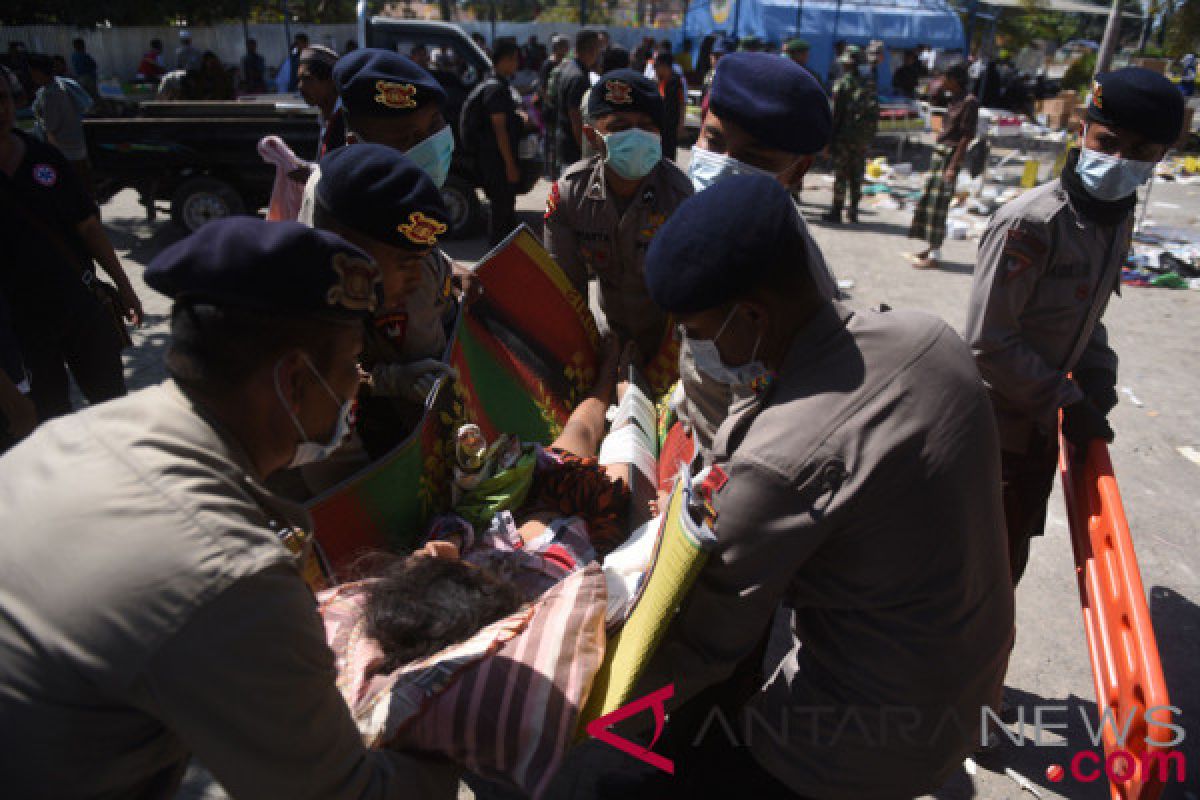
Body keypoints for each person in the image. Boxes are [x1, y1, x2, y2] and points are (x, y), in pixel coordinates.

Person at [0, 218, 459, 799]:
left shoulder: (63, 440)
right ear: (294, 380)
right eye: (350, 364)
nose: (355, 387)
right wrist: (463, 735)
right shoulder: (228, 570)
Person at [614, 174, 1014, 798]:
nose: (692, 348)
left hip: (870, 738)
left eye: (694, 330)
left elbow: (695, 647)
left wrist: (567, 707)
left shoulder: (780, 462)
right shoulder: (927, 336)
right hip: (971, 685)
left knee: (671, 768)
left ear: (751, 315)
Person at [965, 68, 1184, 586]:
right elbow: (988, 342)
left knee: (1008, 557)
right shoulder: (1031, 223)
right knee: (973, 574)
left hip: (1038, 431)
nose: (1121, 160)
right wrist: (1067, 402)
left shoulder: (1114, 219)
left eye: (1141, 151)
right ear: (1083, 130)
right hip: (993, 432)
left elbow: (1086, 316)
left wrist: (1098, 371)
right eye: (1110, 142)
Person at [677, 52, 839, 456]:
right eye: (713, 141)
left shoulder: (795, 287)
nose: (722, 167)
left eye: (752, 159)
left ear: (798, 171)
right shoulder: (706, 225)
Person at [0, 72, 141, 421]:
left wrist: (124, 287)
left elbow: (88, 227)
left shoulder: (44, 158)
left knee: (112, 408)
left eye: (1, 98)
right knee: (49, 422)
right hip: (20, 329)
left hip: (79, 307)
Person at [308, 144, 455, 476]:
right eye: (405, 265)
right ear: (346, 249)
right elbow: (342, 484)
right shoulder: (308, 330)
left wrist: (386, 381)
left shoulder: (342, 291)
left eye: (421, 262)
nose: (416, 280)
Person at [543, 69, 692, 362]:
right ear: (591, 135)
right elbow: (566, 295)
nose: (636, 136)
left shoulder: (679, 196)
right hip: (605, 344)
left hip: (669, 350)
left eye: (647, 125)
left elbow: (692, 301)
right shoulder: (571, 195)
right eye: (620, 126)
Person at [298, 48, 457, 225]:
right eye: (405, 138)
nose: (430, 147)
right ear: (356, 146)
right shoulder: (335, 210)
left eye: (434, 124)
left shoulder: (417, 197)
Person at [906, 63, 978, 270]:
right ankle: (931, 247)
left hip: (950, 158)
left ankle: (935, 255)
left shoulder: (969, 102)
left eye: (945, 78)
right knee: (929, 203)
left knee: (939, 207)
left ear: (954, 80)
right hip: (940, 155)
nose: (942, 82)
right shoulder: (953, 99)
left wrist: (953, 167)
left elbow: (966, 137)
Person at [471, 39, 526, 247]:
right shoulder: (496, 89)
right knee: (501, 216)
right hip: (497, 163)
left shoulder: (497, 84)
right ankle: (496, 263)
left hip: (496, 160)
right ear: (503, 60)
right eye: (513, 59)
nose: (516, 64)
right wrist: (510, 165)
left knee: (505, 214)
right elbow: (499, 129)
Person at [823, 45, 878, 225]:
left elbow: (835, 115)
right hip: (861, 139)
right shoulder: (868, 83)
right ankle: (853, 211)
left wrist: (829, 140)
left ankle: (837, 211)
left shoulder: (843, 84)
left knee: (841, 175)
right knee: (857, 175)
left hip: (844, 138)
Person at [27, 54, 94, 198]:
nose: (31, 76)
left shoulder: (51, 94)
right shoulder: (61, 85)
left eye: (32, 72)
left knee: (71, 191)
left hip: (64, 149)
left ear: (38, 72)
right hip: (75, 144)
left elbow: (51, 125)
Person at [555, 29, 601, 171]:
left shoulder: (568, 67)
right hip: (573, 148)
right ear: (592, 50)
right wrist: (585, 150)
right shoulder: (579, 78)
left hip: (564, 140)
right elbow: (575, 118)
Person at [297, 45, 343, 161]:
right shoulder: (325, 118)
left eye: (308, 79)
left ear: (331, 81)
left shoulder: (346, 123)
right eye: (299, 79)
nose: (300, 86)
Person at [539, 34, 570, 178]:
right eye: (564, 46)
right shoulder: (548, 64)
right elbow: (542, 88)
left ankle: (555, 170)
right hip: (551, 109)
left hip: (560, 108)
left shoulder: (565, 64)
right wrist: (550, 103)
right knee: (549, 140)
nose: (566, 49)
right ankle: (548, 170)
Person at [653, 53, 685, 162]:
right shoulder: (657, 81)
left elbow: (682, 104)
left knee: (669, 153)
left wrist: (681, 124)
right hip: (659, 124)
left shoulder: (677, 81)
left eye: (656, 66)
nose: (655, 69)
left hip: (671, 124)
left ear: (664, 66)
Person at [701, 35, 730, 102]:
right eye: (716, 56)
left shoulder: (730, 77)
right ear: (710, 56)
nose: (718, 60)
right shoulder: (709, 75)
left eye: (722, 56)